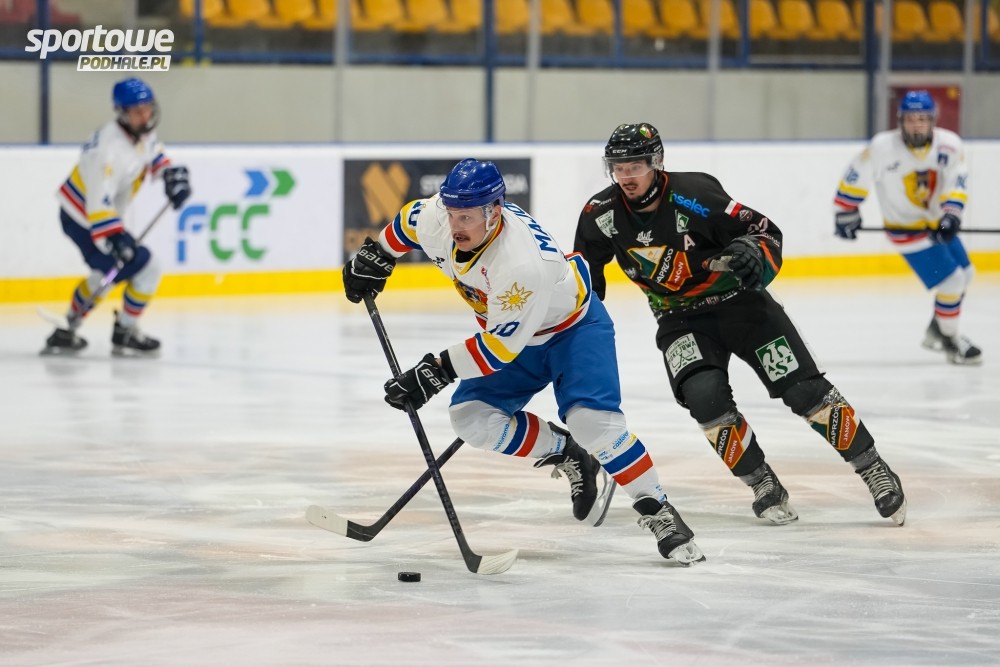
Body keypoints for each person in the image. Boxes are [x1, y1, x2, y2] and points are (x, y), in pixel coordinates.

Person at [342, 158, 705, 565]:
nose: (455, 225)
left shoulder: (521, 264)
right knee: (471, 418)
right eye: (452, 212)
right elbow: (408, 221)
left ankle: (659, 509)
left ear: (493, 211)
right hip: (515, 336)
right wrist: (379, 254)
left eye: (466, 217)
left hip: (573, 330)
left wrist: (434, 372)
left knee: (592, 424)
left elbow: (496, 352)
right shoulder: (440, 217)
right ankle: (567, 452)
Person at [574, 122, 907, 527]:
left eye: (636, 166)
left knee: (803, 390)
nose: (626, 177)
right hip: (679, 320)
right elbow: (584, 281)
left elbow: (764, 231)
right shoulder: (599, 214)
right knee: (704, 398)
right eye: (618, 168)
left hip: (743, 307)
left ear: (656, 162)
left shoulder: (695, 195)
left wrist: (752, 249)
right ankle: (762, 482)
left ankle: (873, 468)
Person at [42, 77, 191, 356]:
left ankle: (67, 331)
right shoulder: (107, 151)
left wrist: (169, 175)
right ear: (122, 113)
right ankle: (124, 331)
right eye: (138, 111)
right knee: (146, 267)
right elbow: (97, 203)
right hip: (83, 220)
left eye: (148, 108)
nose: (145, 116)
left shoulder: (138, 131)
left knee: (105, 274)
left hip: (91, 216)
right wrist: (114, 238)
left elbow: (152, 152)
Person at [833, 89, 982, 365]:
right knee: (953, 281)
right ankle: (949, 339)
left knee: (968, 273)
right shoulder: (882, 147)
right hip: (905, 230)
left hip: (938, 223)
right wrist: (845, 211)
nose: (916, 125)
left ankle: (938, 328)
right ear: (900, 120)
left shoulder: (949, 145)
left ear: (932, 120)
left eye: (922, 119)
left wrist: (951, 215)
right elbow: (855, 176)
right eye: (911, 119)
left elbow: (956, 181)